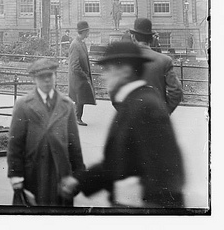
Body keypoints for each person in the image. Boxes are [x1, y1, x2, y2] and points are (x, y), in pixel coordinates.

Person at [69, 40, 185, 209]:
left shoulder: (144, 105)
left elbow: (165, 174)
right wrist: (78, 182)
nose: (104, 75)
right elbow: (117, 161)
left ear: (125, 70)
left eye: (108, 69)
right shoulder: (134, 101)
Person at [7, 58, 85, 207]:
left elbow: (74, 144)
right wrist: (15, 175)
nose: (47, 80)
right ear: (34, 79)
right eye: (42, 77)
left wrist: (79, 174)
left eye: (50, 75)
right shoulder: (24, 105)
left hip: (61, 173)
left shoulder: (66, 105)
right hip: (33, 173)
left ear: (55, 76)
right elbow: (15, 143)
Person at [130, 18, 183, 114]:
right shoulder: (165, 61)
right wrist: (165, 112)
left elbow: (114, 90)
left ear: (133, 37)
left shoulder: (125, 61)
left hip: (131, 119)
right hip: (157, 117)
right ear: (151, 39)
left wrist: (125, 113)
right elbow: (176, 90)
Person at [68, 21, 96, 126]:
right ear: (84, 31)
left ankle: (77, 117)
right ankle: (77, 118)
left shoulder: (81, 43)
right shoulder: (76, 44)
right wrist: (84, 75)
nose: (89, 32)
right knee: (79, 97)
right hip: (78, 77)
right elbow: (74, 65)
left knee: (81, 98)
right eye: (88, 30)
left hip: (81, 76)